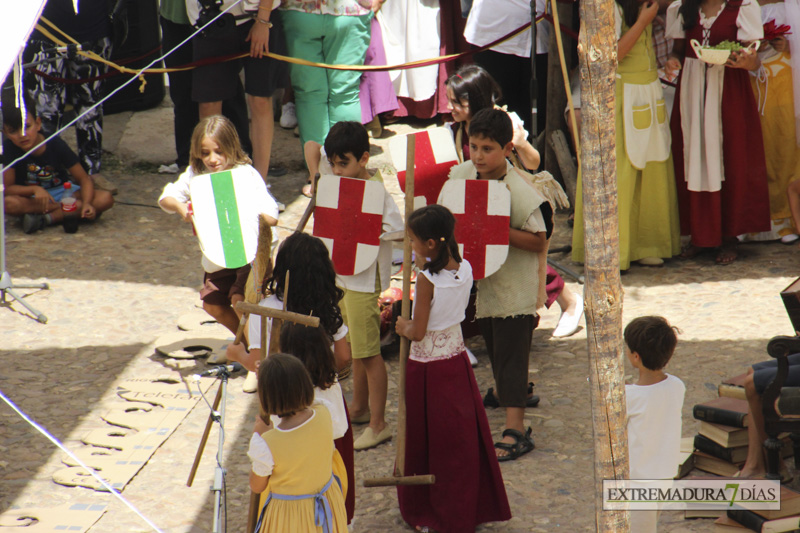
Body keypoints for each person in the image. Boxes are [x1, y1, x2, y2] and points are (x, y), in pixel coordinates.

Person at [394, 204, 511, 532]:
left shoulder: (427, 280)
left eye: (414, 241)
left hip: (428, 369)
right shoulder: (466, 268)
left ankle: (429, 509)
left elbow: (418, 331)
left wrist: (402, 325)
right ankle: (466, 506)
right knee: (459, 441)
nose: (411, 247)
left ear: (431, 244)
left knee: (428, 440)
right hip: (456, 362)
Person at [445, 65, 584, 339]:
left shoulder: (505, 120)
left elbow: (533, 162)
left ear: (475, 97)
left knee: (521, 258)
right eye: (449, 101)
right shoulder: (458, 129)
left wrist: (519, 143)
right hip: (477, 201)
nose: (451, 107)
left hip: (510, 199)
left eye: (457, 102)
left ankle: (569, 301)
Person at [446, 108, 549, 461]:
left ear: (507, 149)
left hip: (513, 284)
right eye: (473, 146)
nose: (478, 156)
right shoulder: (461, 176)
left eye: (487, 148)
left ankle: (516, 428)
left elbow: (539, 239)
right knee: (492, 340)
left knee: (512, 353)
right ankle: (510, 392)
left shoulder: (517, 189)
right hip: (482, 280)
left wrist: (493, 231)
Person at [572, 0, 682, 270]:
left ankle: (647, 244)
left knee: (651, 168)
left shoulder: (645, 7)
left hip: (648, 91)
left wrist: (665, 64)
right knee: (620, 172)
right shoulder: (610, 8)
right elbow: (612, 55)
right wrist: (643, 21)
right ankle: (616, 250)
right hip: (620, 98)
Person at [665, 0, 770, 264]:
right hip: (692, 90)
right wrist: (673, 62)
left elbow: (753, 60)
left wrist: (746, 61)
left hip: (729, 91)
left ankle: (729, 237)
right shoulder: (683, 8)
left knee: (731, 158)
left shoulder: (742, 7)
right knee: (694, 158)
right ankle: (700, 236)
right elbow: (678, 51)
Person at [158, 115, 279, 341]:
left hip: (250, 252)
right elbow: (167, 198)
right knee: (212, 304)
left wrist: (246, 209)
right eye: (205, 153)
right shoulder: (197, 175)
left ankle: (259, 352)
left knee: (240, 300)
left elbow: (271, 215)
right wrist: (182, 208)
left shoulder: (246, 174)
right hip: (218, 254)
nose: (212, 159)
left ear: (231, 147)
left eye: (219, 151)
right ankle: (246, 346)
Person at [322, 121, 404, 451]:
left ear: (364, 159)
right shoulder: (333, 184)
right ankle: (359, 407)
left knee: (369, 353)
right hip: (341, 276)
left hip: (364, 279)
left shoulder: (377, 194)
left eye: (345, 163)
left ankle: (379, 423)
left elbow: (397, 231)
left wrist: (369, 231)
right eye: (334, 163)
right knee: (354, 346)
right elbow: (311, 148)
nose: (338, 170)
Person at [226, 231, 351, 391]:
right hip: (326, 393)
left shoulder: (265, 310)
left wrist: (238, 355)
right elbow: (343, 357)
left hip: (286, 396)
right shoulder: (326, 304)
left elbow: (258, 363)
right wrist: (318, 374)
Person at [186, 0, 288, 182]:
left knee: (261, 99)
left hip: (258, 15)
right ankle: (216, 183)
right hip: (211, 16)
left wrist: (263, 21)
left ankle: (260, 184)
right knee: (209, 103)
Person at [247, 353, 347, 533]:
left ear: (266, 397)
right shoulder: (324, 412)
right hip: (326, 504)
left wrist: (260, 434)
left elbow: (257, 485)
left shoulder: (266, 444)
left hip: (289, 517)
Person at [159, 0, 254, 173]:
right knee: (182, 91)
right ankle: (187, 163)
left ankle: (240, 162)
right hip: (176, 17)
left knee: (227, 91)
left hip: (215, 16)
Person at [23, 0, 111, 176]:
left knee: (90, 110)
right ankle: (47, 175)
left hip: (94, 29)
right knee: (45, 112)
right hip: (43, 31)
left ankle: (90, 174)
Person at [2, 97, 114, 233]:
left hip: (64, 192)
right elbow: (8, 188)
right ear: (5, 133)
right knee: (8, 204)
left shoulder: (55, 143)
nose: (22, 135)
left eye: (27, 127)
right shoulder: (8, 148)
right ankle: (68, 212)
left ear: (38, 124)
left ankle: (45, 219)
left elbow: (84, 179)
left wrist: (86, 203)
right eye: (14, 131)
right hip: (33, 199)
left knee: (105, 198)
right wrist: (33, 190)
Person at [279, 323, 355, 524]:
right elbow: (340, 428)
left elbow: (275, 431)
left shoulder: (287, 393)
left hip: (298, 474)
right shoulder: (331, 382)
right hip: (327, 465)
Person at [278, 0, 373, 153]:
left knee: (309, 94)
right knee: (345, 94)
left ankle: (317, 171)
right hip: (349, 11)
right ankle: (346, 167)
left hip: (300, 10)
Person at [745, 0, 800, 243]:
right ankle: (758, 220)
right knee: (758, 151)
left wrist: (791, 46)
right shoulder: (745, 5)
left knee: (786, 149)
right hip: (752, 83)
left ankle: (787, 220)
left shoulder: (794, 5)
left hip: (788, 85)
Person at [624, 316, 685, 532]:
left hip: (640, 481)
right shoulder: (677, 386)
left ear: (635, 357)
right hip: (665, 474)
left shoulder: (628, 396)